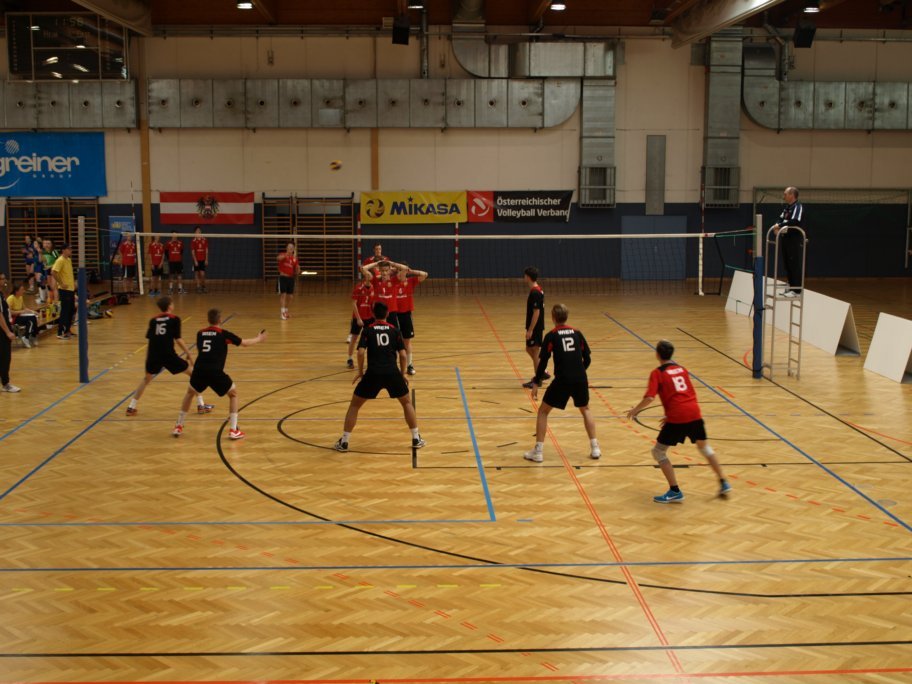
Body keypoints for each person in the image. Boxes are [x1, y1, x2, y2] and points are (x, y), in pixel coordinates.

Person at [625, 339, 731, 503]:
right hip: (694, 412)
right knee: (704, 448)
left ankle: (675, 491)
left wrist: (635, 410)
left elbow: (650, 397)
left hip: (677, 417)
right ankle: (723, 481)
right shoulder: (682, 369)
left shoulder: (657, 373)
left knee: (658, 452)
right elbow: (687, 393)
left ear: (657, 354)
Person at [334, 301, 425, 452]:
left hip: (373, 373)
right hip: (392, 372)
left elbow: (361, 353)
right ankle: (416, 438)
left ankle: (344, 442)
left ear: (372, 314)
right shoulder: (395, 330)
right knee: (406, 403)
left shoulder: (368, 330)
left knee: (354, 406)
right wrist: (402, 374)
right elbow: (403, 355)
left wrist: (361, 372)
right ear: (387, 314)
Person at [172, 309, 266, 440]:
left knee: (190, 393)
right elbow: (244, 343)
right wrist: (259, 338)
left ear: (208, 320)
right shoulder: (223, 334)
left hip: (199, 370)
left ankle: (178, 426)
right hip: (215, 371)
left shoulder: (200, 333)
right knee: (233, 394)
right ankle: (233, 430)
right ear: (220, 319)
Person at [524, 304, 600, 463]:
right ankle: (595, 448)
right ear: (566, 316)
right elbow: (588, 359)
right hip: (580, 378)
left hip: (562, 380)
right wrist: (579, 372)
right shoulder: (577, 333)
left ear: (553, 317)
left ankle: (538, 451)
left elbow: (543, 362)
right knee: (585, 409)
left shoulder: (551, 335)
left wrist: (537, 382)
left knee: (543, 411)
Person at [126, 295, 214, 417]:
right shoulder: (174, 319)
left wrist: (148, 359)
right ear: (169, 306)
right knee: (194, 375)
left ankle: (131, 407)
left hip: (153, 354)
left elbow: (151, 340)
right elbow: (178, 339)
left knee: (146, 379)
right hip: (168, 355)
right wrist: (188, 353)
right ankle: (201, 405)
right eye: (172, 303)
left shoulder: (153, 320)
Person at [392, 262, 428, 375]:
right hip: (394, 314)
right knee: (394, 341)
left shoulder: (411, 281)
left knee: (407, 341)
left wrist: (411, 271)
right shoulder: (393, 282)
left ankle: (409, 365)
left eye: (403, 271)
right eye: (399, 271)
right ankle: (393, 366)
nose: (401, 273)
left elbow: (425, 274)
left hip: (406, 315)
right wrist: (393, 269)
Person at [771, 186, 805, 297]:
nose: (784, 196)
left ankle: (797, 291)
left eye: (785, 194)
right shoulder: (787, 208)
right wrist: (776, 226)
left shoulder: (798, 207)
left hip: (794, 240)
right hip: (785, 238)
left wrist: (780, 226)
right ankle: (791, 287)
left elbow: (795, 221)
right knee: (787, 264)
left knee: (794, 264)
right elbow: (780, 219)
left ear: (792, 195)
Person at [521, 266, 549, 389]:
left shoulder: (535, 293)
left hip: (535, 327)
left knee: (535, 351)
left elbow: (536, 312)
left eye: (525, 275)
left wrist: (530, 330)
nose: (524, 277)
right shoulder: (537, 289)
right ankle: (542, 372)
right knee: (529, 349)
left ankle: (537, 380)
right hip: (535, 326)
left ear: (528, 277)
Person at [346, 270, 374, 368]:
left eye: (370, 274)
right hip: (358, 317)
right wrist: (358, 319)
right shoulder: (359, 287)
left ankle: (371, 359)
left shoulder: (374, 287)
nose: (369, 276)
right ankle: (350, 359)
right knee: (354, 338)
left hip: (370, 317)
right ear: (364, 276)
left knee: (371, 339)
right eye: (367, 274)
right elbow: (353, 303)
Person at [0, 273, 21, 393]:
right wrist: (8, 332)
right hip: (2, 331)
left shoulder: (2, 295)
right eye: (2, 279)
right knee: (5, 357)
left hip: (5, 328)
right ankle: (6, 384)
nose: (4, 281)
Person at [362, 260, 398, 328]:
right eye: (382, 270)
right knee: (378, 331)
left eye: (386, 270)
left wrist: (392, 263)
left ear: (390, 270)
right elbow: (363, 268)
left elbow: (405, 269)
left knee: (394, 332)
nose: (384, 273)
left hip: (391, 311)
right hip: (379, 312)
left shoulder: (394, 280)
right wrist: (377, 263)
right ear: (379, 270)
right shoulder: (375, 280)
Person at [52, 244, 75, 340]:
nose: (71, 251)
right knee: (65, 311)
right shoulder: (60, 260)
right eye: (69, 249)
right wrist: (61, 283)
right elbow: (53, 272)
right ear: (63, 250)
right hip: (64, 290)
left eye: (71, 249)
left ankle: (67, 330)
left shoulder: (68, 260)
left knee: (71, 310)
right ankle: (60, 332)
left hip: (71, 289)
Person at [7, 281, 39, 348]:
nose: (24, 291)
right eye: (22, 290)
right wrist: (21, 311)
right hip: (12, 318)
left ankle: (28, 337)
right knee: (31, 319)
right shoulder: (11, 298)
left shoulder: (20, 297)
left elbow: (24, 308)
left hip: (19, 316)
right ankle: (31, 336)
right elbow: (9, 312)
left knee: (32, 319)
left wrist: (33, 311)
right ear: (16, 291)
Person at [277, 242, 299, 320]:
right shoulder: (282, 255)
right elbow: (278, 258)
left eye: (292, 247)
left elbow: (296, 270)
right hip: (283, 278)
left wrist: (298, 270)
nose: (290, 248)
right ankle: (282, 312)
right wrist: (286, 255)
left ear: (293, 249)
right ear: (286, 248)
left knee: (290, 296)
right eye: (289, 247)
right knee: (283, 295)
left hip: (291, 278)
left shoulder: (294, 259)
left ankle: (286, 311)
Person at [41, 239, 60, 305]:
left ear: (52, 245)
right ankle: (51, 301)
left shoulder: (54, 252)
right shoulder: (44, 252)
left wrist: (50, 266)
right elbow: (44, 260)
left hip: (54, 270)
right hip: (48, 270)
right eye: (46, 243)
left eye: (49, 243)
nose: (47, 245)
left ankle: (56, 302)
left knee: (54, 287)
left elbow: (58, 262)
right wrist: (45, 264)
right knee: (50, 286)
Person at [191, 227, 209, 294]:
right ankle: (198, 287)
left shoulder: (204, 239)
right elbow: (193, 252)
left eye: (199, 230)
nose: (198, 232)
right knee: (196, 273)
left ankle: (203, 286)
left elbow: (206, 250)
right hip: (196, 260)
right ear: (195, 232)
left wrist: (206, 259)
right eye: (197, 231)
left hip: (203, 260)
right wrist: (195, 260)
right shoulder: (193, 241)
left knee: (202, 274)